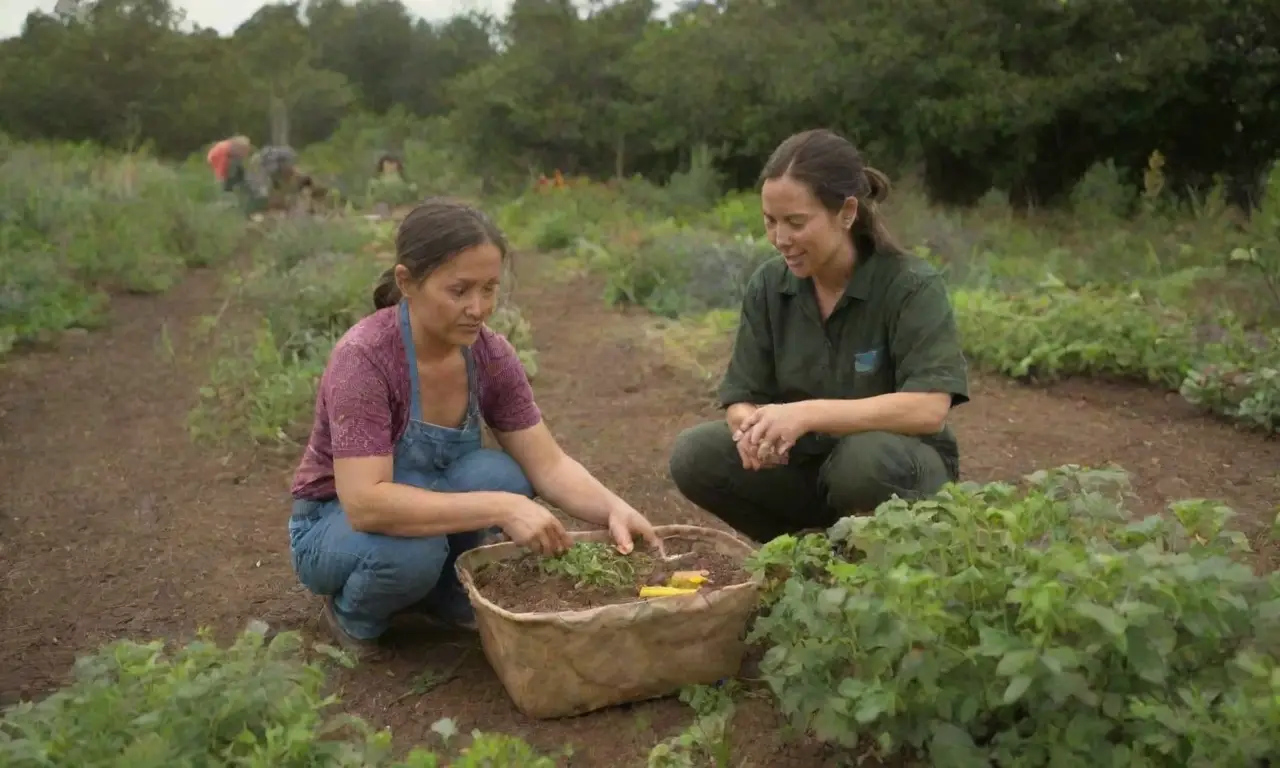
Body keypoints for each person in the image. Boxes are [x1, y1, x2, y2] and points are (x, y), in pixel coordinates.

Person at [288, 197, 663, 656]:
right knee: (416, 551)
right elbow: (366, 505)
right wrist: (501, 508)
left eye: (489, 289)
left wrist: (614, 509)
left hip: (421, 498)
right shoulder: (364, 359)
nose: (478, 307)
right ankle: (354, 615)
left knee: (504, 474)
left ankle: (444, 592)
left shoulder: (489, 354)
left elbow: (548, 464)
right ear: (407, 282)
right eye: (459, 290)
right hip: (333, 526)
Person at [668, 129, 970, 544]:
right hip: (808, 467)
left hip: (899, 469)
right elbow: (742, 396)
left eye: (796, 222)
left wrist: (805, 415)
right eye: (770, 221)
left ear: (846, 213)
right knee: (696, 454)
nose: (780, 239)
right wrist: (752, 430)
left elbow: (928, 409)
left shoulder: (910, 286)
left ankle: (895, 551)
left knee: (861, 461)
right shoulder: (770, 286)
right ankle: (804, 551)